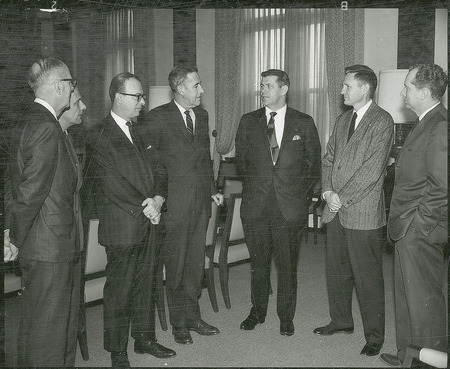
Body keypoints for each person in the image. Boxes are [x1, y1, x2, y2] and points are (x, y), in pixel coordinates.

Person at [85, 72, 175, 368]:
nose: (142, 102)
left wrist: (159, 199)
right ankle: (117, 350)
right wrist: (146, 205)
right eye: (137, 96)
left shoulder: (142, 131)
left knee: (147, 284)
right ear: (119, 98)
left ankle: (144, 339)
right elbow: (110, 182)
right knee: (120, 290)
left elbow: (161, 170)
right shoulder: (98, 134)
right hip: (123, 224)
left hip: (150, 221)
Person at [3, 57, 82, 367]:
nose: (73, 88)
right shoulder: (47, 126)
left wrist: (11, 231)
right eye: (71, 83)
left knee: (38, 328)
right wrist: (14, 238)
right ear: (58, 86)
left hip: (41, 244)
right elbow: (31, 191)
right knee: (48, 335)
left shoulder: (26, 121)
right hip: (49, 246)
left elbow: (15, 187)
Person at [138, 65, 223, 345]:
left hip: (200, 203)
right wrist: (158, 198)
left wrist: (212, 190)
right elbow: (149, 165)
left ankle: (193, 316)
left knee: (195, 265)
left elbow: (204, 159)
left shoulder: (201, 114)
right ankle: (178, 323)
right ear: (180, 88)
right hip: (173, 205)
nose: (201, 90)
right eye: (196, 85)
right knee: (175, 266)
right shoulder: (157, 118)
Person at [314, 64, 394, 357]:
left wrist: (340, 197)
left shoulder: (383, 121)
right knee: (337, 271)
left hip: (362, 211)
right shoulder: (342, 120)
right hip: (335, 208)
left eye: (348, 86)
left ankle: (374, 336)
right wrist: (327, 192)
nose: (342, 90)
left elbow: (372, 170)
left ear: (365, 88)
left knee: (368, 277)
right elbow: (328, 158)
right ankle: (341, 321)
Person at [235, 69, 321, 336]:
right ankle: (257, 312)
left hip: (289, 208)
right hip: (256, 207)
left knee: (286, 266)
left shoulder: (303, 122)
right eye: (261, 85)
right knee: (258, 265)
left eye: (269, 86)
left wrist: (301, 199)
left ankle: (286, 316)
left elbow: (312, 165)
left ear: (284, 89)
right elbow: (241, 163)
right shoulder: (248, 121)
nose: (263, 90)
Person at [380, 64, 448, 367]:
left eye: (407, 86)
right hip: (407, 226)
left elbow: (442, 186)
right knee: (408, 296)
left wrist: (418, 226)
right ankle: (408, 354)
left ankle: (427, 361)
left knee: (425, 302)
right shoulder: (424, 122)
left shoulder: (440, 125)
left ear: (422, 92)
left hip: (419, 228)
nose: (402, 91)